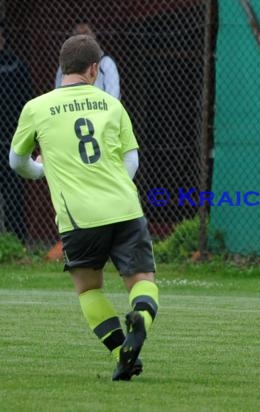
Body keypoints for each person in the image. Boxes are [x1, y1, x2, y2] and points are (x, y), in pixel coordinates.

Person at [9, 34, 158, 381]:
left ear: (62, 68)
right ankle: (140, 319)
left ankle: (124, 352)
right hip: (124, 207)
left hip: (78, 216)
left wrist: (43, 169)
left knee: (89, 288)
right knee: (142, 282)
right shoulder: (112, 104)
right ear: (94, 69)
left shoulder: (37, 107)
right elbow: (131, 160)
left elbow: (17, 162)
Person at [0, 21, 33, 239]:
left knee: (13, 189)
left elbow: (25, 100)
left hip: (11, 135)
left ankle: (16, 238)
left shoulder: (15, 64)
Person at [55, 22, 121, 99]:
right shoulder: (66, 63)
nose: (81, 37)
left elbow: (113, 96)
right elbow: (58, 91)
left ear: (94, 35)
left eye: (85, 32)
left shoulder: (105, 63)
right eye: (77, 34)